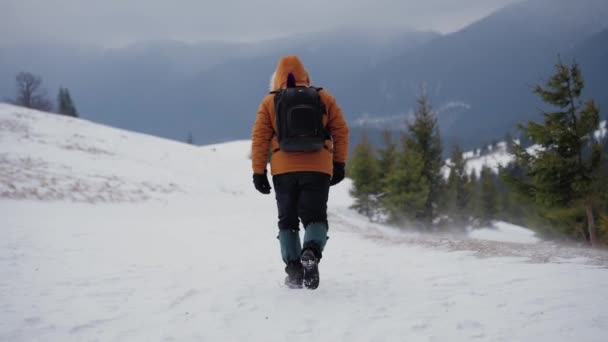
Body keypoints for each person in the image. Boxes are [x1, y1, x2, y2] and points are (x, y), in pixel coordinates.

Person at [250, 54, 349, 289]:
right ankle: (312, 252)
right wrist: (339, 163)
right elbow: (341, 131)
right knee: (315, 216)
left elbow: (260, 139)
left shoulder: (269, 102)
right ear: (306, 76)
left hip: (283, 171)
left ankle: (294, 270)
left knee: (288, 220)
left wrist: (258, 172)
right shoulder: (323, 97)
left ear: (277, 79)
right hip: (318, 168)